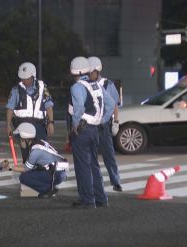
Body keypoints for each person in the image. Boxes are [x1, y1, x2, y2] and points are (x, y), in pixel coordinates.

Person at [68, 56, 115, 209]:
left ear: (74, 71)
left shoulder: (77, 87)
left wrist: (75, 124)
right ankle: (101, 198)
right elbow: (110, 104)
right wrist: (102, 120)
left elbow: (79, 107)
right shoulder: (96, 85)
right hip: (95, 130)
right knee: (94, 164)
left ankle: (87, 200)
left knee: (82, 166)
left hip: (82, 129)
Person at [6, 62, 55, 162]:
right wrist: (8, 125)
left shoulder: (42, 87)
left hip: (39, 127)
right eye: (22, 78)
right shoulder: (16, 89)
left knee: (40, 155)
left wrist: (51, 122)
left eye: (26, 78)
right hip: (23, 127)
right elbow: (10, 108)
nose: (23, 80)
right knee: (27, 157)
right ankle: (28, 174)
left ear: (33, 76)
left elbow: (49, 105)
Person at [88, 56, 123, 192]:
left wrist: (116, 122)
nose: (89, 75)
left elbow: (114, 104)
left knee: (109, 155)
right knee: (91, 156)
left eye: (91, 72)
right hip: (90, 125)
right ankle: (94, 183)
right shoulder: (86, 85)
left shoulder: (108, 84)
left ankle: (116, 181)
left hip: (104, 126)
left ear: (98, 70)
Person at [10, 122, 68, 198]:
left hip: (56, 174)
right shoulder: (39, 143)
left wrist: (10, 167)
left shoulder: (35, 151)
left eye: (19, 138)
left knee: (23, 177)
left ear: (24, 138)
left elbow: (26, 169)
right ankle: (49, 186)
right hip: (59, 172)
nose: (19, 140)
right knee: (32, 171)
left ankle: (47, 189)